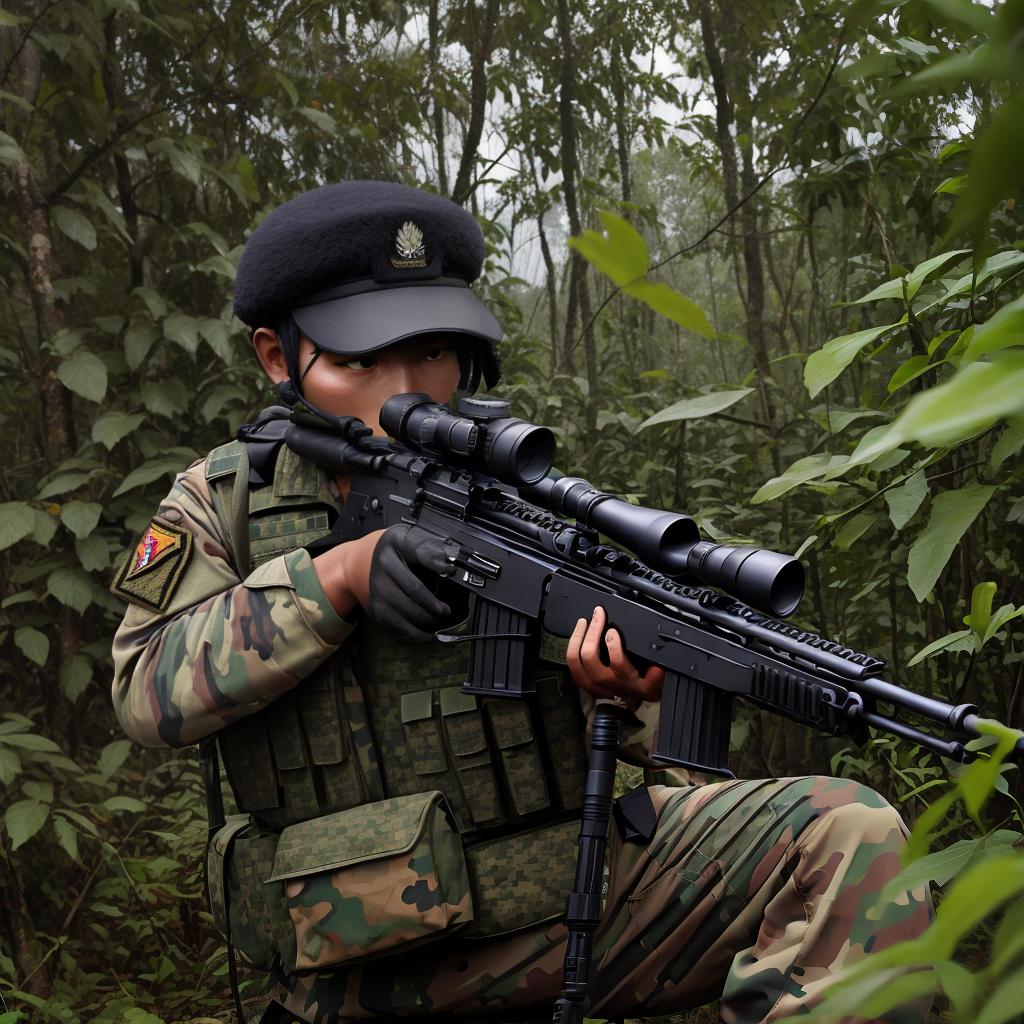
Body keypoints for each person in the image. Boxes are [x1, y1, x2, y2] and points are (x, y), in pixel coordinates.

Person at [110, 181, 932, 1024]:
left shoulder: (514, 488)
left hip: (552, 905)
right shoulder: (226, 500)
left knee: (845, 834)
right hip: (344, 957)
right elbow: (143, 691)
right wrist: (338, 578)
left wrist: (617, 698)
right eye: (361, 361)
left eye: (432, 353)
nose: (408, 393)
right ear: (279, 358)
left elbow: (645, 768)